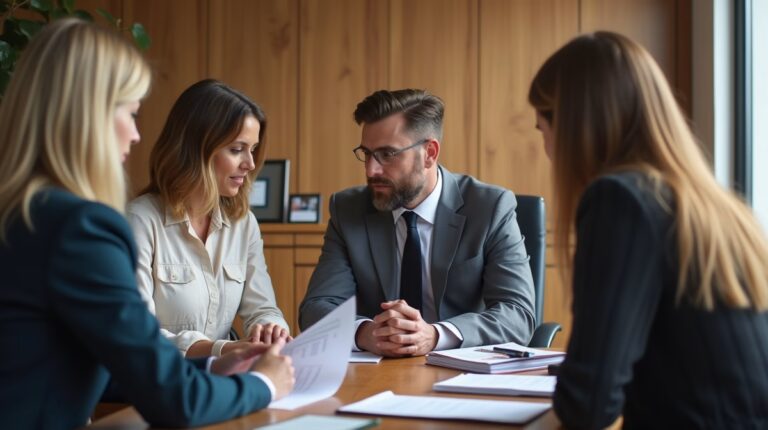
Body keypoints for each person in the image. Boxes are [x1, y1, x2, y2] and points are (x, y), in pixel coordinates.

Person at [0, 19, 294, 429]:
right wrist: (264, 383)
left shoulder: (23, 214)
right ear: (88, 116)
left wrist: (211, 369)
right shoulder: (83, 228)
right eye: (131, 112)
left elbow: (98, 368)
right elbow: (173, 400)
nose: (137, 135)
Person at [528, 32, 768, 428]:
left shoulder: (620, 201)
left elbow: (588, 404)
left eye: (543, 130)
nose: (549, 151)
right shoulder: (710, 204)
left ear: (572, 126)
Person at [299, 89, 536, 357]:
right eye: (366, 153)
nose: (370, 170)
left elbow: (518, 314)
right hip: (378, 372)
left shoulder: (489, 207)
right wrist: (366, 333)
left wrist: (435, 335)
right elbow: (317, 307)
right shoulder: (349, 210)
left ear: (429, 153)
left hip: (460, 370)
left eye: (387, 154)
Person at [127, 79, 290, 359]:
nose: (250, 164)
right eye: (237, 149)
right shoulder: (139, 221)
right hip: (163, 382)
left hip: (225, 377)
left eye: (252, 149)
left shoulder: (243, 223)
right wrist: (220, 349)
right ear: (195, 148)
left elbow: (262, 307)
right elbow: (136, 332)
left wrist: (271, 329)